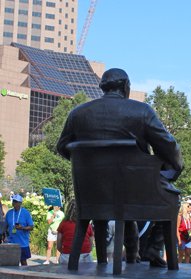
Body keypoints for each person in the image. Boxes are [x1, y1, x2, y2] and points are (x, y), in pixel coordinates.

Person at [56, 68, 183, 268]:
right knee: (173, 198)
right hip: (135, 192)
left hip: (93, 193)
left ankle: (133, 256)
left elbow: (62, 147)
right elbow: (169, 146)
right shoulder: (141, 111)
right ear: (125, 87)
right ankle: (153, 248)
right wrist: (175, 166)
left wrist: (87, 167)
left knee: (123, 205)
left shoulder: (77, 114)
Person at [57, 199, 94, 264]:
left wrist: (65, 252)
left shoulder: (63, 224)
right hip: (85, 255)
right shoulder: (87, 224)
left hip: (67, 255)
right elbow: (91, 245)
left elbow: (59, 246)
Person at [4, 195, 34, 265]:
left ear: (20, 203)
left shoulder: (26, 213)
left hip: (22, 243)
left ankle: (25, 275)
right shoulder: (9, 213)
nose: (14, 203)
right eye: (13, 201)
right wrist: (5, 236)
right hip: (11, 242)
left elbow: (31, 227)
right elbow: (5, 226)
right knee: (12, 263)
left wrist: (22, 228)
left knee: (23, 261)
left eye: (16, 202)